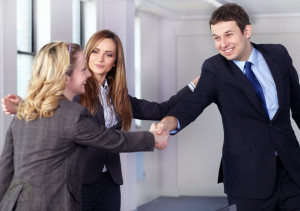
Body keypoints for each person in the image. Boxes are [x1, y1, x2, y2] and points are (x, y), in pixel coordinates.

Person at [1, 30, 199, 211]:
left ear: (115, 61)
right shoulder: (76, 93)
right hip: (78, 181)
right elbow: (53, 113)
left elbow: (161, 109)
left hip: (109, 179)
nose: (100, 59)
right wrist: (25, 106)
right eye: (95, 51)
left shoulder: (118, 96)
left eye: (109, 54)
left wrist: (195, 85)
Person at [156, 3, 300, 211]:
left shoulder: (278, 55)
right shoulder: (214, 69)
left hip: (291, 169)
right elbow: (191, 105)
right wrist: (167, 124)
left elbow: (297, 104)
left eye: (229, 35)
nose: (223, 44)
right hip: (247, 177)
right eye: (216, 37)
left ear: (246, 31)